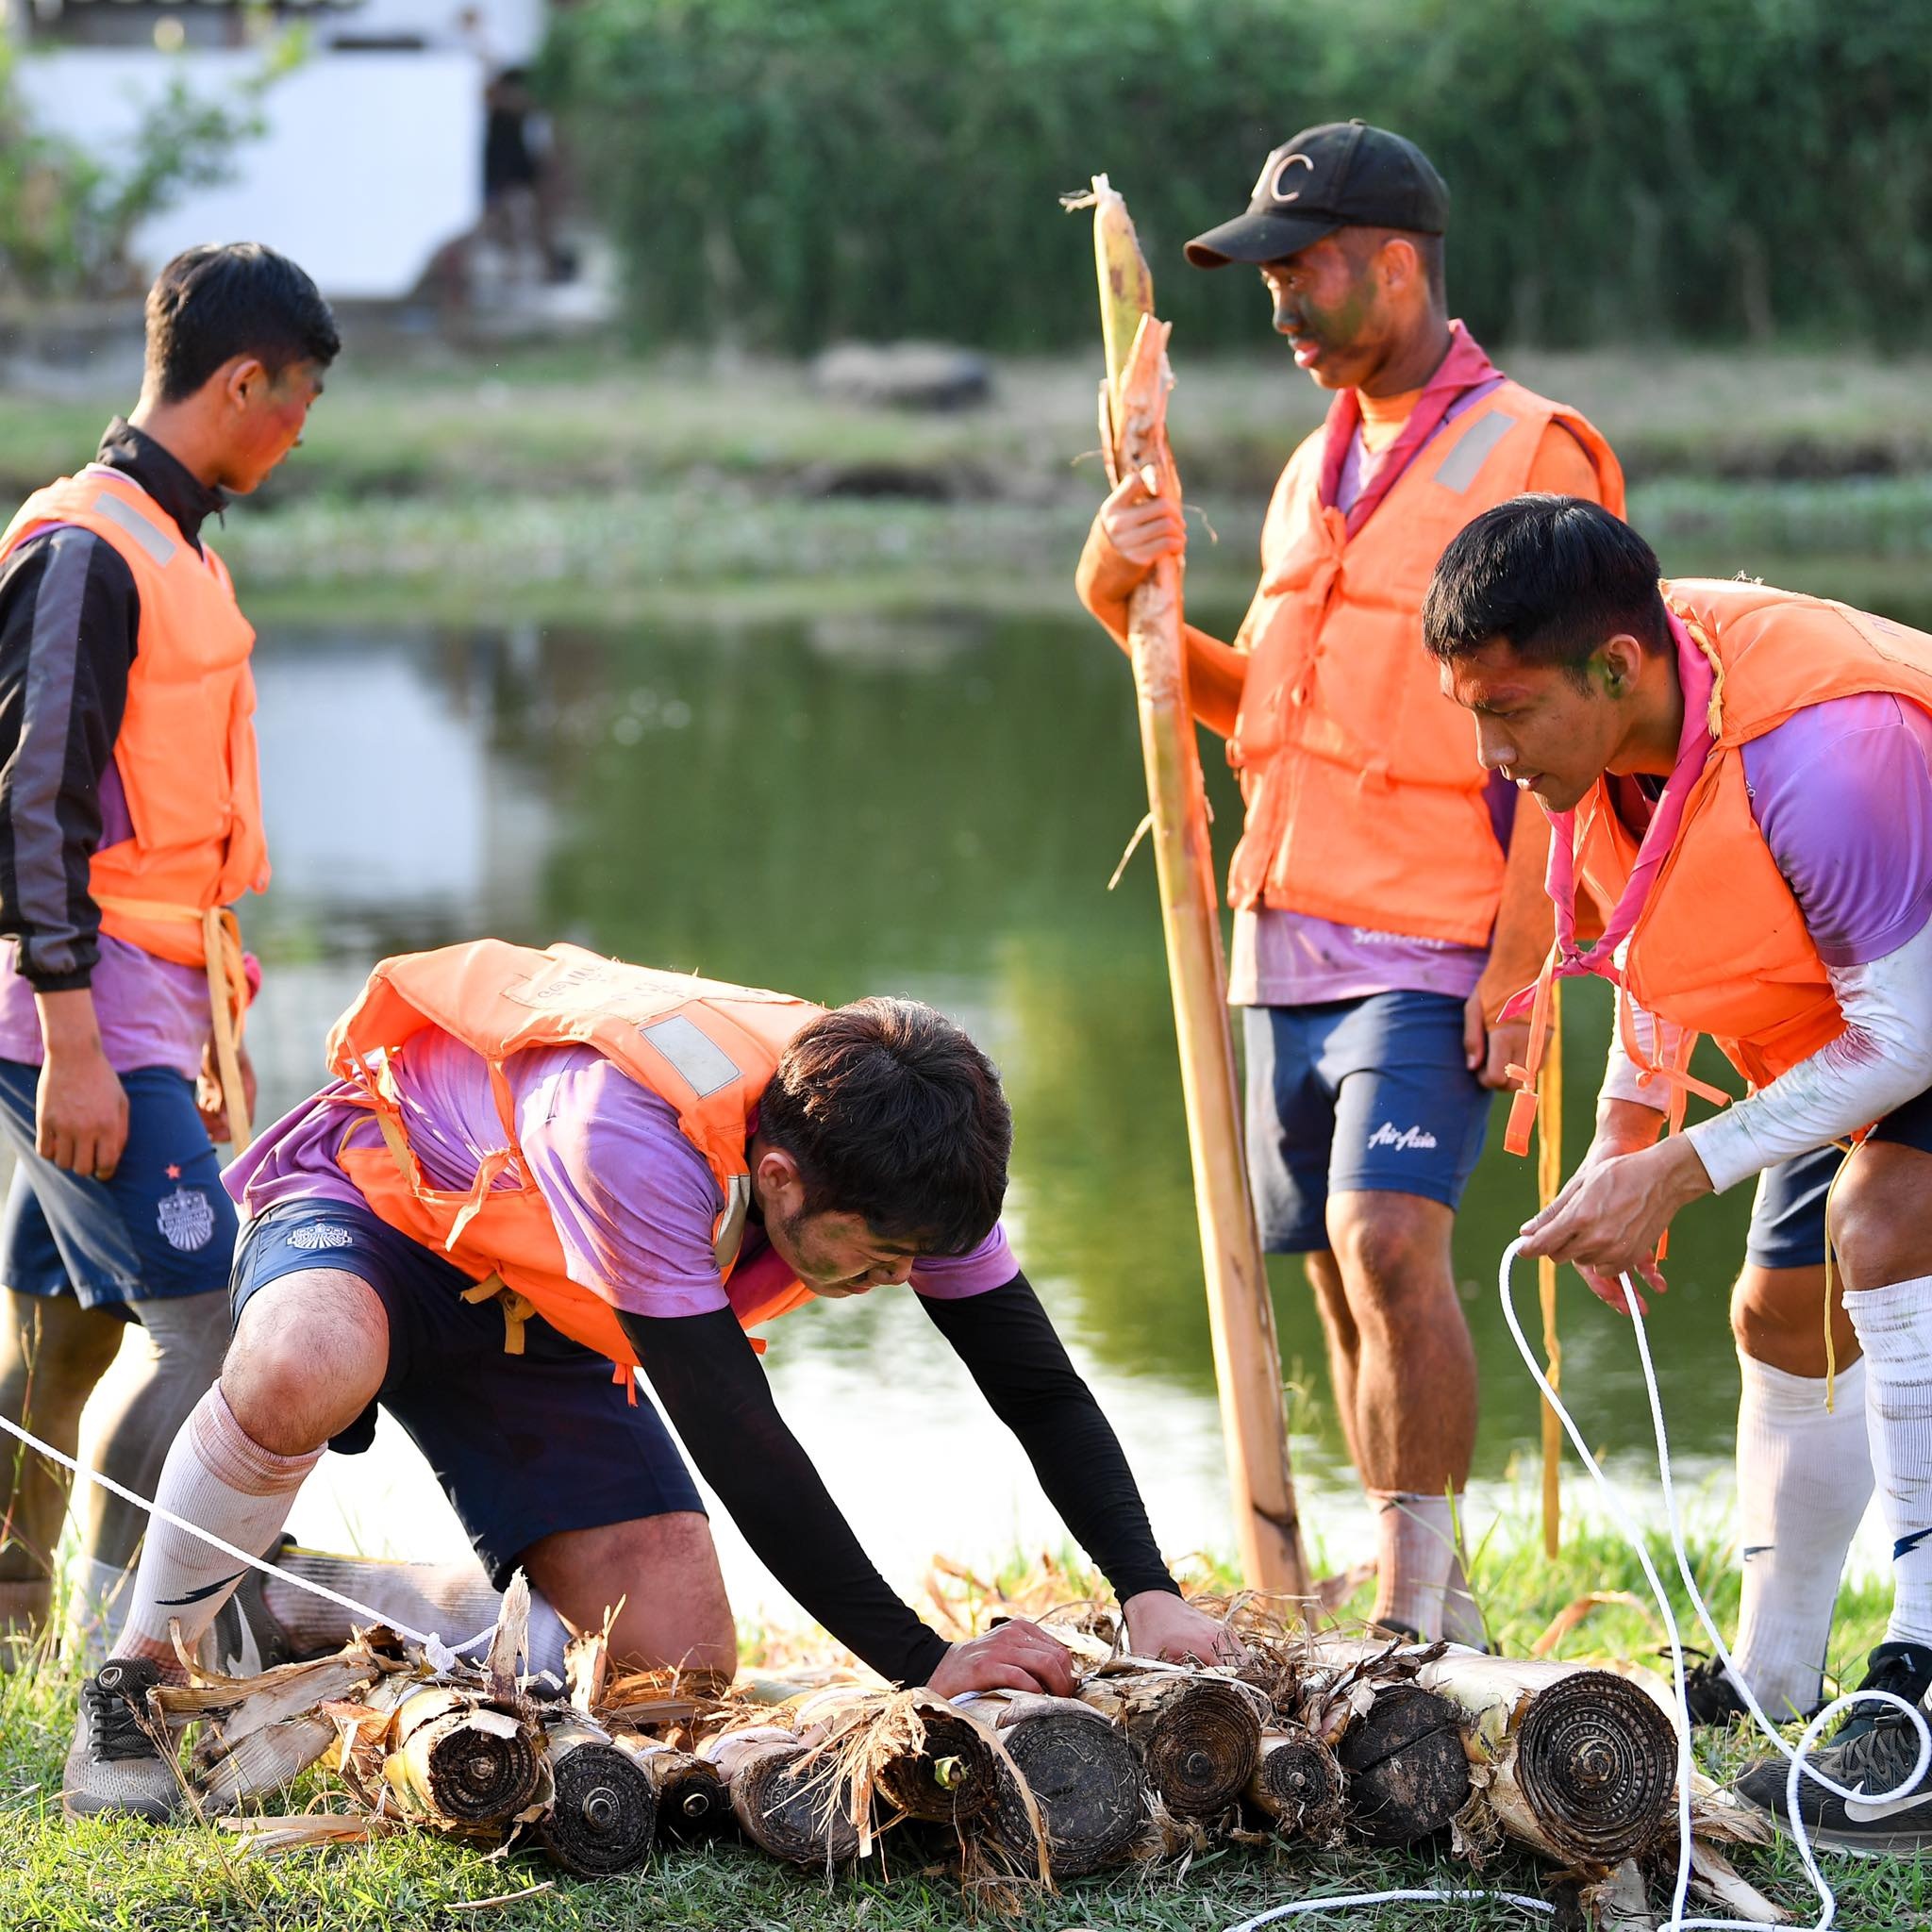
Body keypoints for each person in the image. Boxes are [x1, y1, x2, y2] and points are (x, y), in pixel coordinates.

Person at [62, 941, 1235, 1819]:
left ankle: (295, 1598)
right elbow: (740, 1440)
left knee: (674, 1667)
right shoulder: (631, 1134)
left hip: (543, 1297)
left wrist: (1148, 1586)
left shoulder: (906, 1148)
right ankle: (135, 1678)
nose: (895, 1281)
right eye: (879, 1259)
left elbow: (1037, 1386)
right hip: (385, 1209)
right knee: (304, 1359)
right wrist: (925, 1662)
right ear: (780, 1177)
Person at [1074, 120, 1624, 1641]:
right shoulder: (1308, 471)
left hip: (1437, 932)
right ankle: (1410, 1602)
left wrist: (1525, 946)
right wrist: (1115, 596)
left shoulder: (1533, 450)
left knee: (1390, 1238)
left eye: (1300, 274)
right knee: (1328, 1267)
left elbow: (1585, 725)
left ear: (1394, 265)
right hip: (1283, 926)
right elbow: (1258, 709)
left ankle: (1408, 1618)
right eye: (1266, 283)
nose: (1280, 310)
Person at [1424, 493, 1932, 1853]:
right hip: (1868, 1006)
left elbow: (1911, 1037)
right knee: (1779, 1311)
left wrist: (1677, 1171)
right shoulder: (1611, 722)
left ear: (1615, 668)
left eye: (1508, 713)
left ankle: (1924, 1690)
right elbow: (1653, 922)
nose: (1490, 754)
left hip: (1912, 1006)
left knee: (1885, 1220)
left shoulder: (1824, 752)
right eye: (1472, 713)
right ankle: (1775, 1674)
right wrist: (1623, 1132)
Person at [0, 244, 336, 1671]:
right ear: (243, 379)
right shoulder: (86, 548)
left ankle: (14, 1626)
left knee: (67, 1331)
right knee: (211, 1337)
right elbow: (30, 805)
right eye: (300, 396)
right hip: (79, 1018)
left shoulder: (179, 541)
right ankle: (123, 1664)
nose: (302, 429)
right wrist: (74, 1045)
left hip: (156, 999)